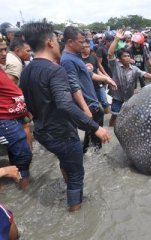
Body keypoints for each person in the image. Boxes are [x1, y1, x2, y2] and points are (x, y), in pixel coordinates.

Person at [20, 22, 112, 212]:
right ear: (49, 43)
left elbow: (27, 103)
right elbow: (65, 104)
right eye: (56, 39)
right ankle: (75, 212)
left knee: (66, 162)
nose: (58, 43)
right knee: (77, 175)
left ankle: (68, 187)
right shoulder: (55, 70)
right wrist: (95, 127)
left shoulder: (27, 70)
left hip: (42, 131)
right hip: (61, 133)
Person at [61, 26, 117, 153]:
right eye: (81, 42)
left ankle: (89, 152)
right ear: (70, 42)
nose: (84, 45)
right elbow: (74, 86)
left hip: (91, 101)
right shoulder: (68, 60)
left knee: (92, 130)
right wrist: (85, 108)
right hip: (87, 103)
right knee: (95, 131)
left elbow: (89, 74)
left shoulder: (75, 57)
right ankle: (95, 156)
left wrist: (106, 79)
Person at [107, 30, 151, 126]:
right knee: (114, 116)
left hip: (129, 97)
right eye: (125, 56)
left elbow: (145, 74)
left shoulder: (134, 68)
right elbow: (110, 54)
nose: (127, 58)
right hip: (117, 97)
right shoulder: (115, 66)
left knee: (129, 118)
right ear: (119, 59)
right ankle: (111, 130)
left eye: (128, 56)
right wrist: (116, 39)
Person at [0, 38, 32, 190]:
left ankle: (20, 185)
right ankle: (24, 189)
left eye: (5, 49)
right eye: (0, 50)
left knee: (16, 154)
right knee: (24, 155)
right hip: (5, 120)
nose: (4, 53)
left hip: (13, 117)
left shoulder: (1, 68)